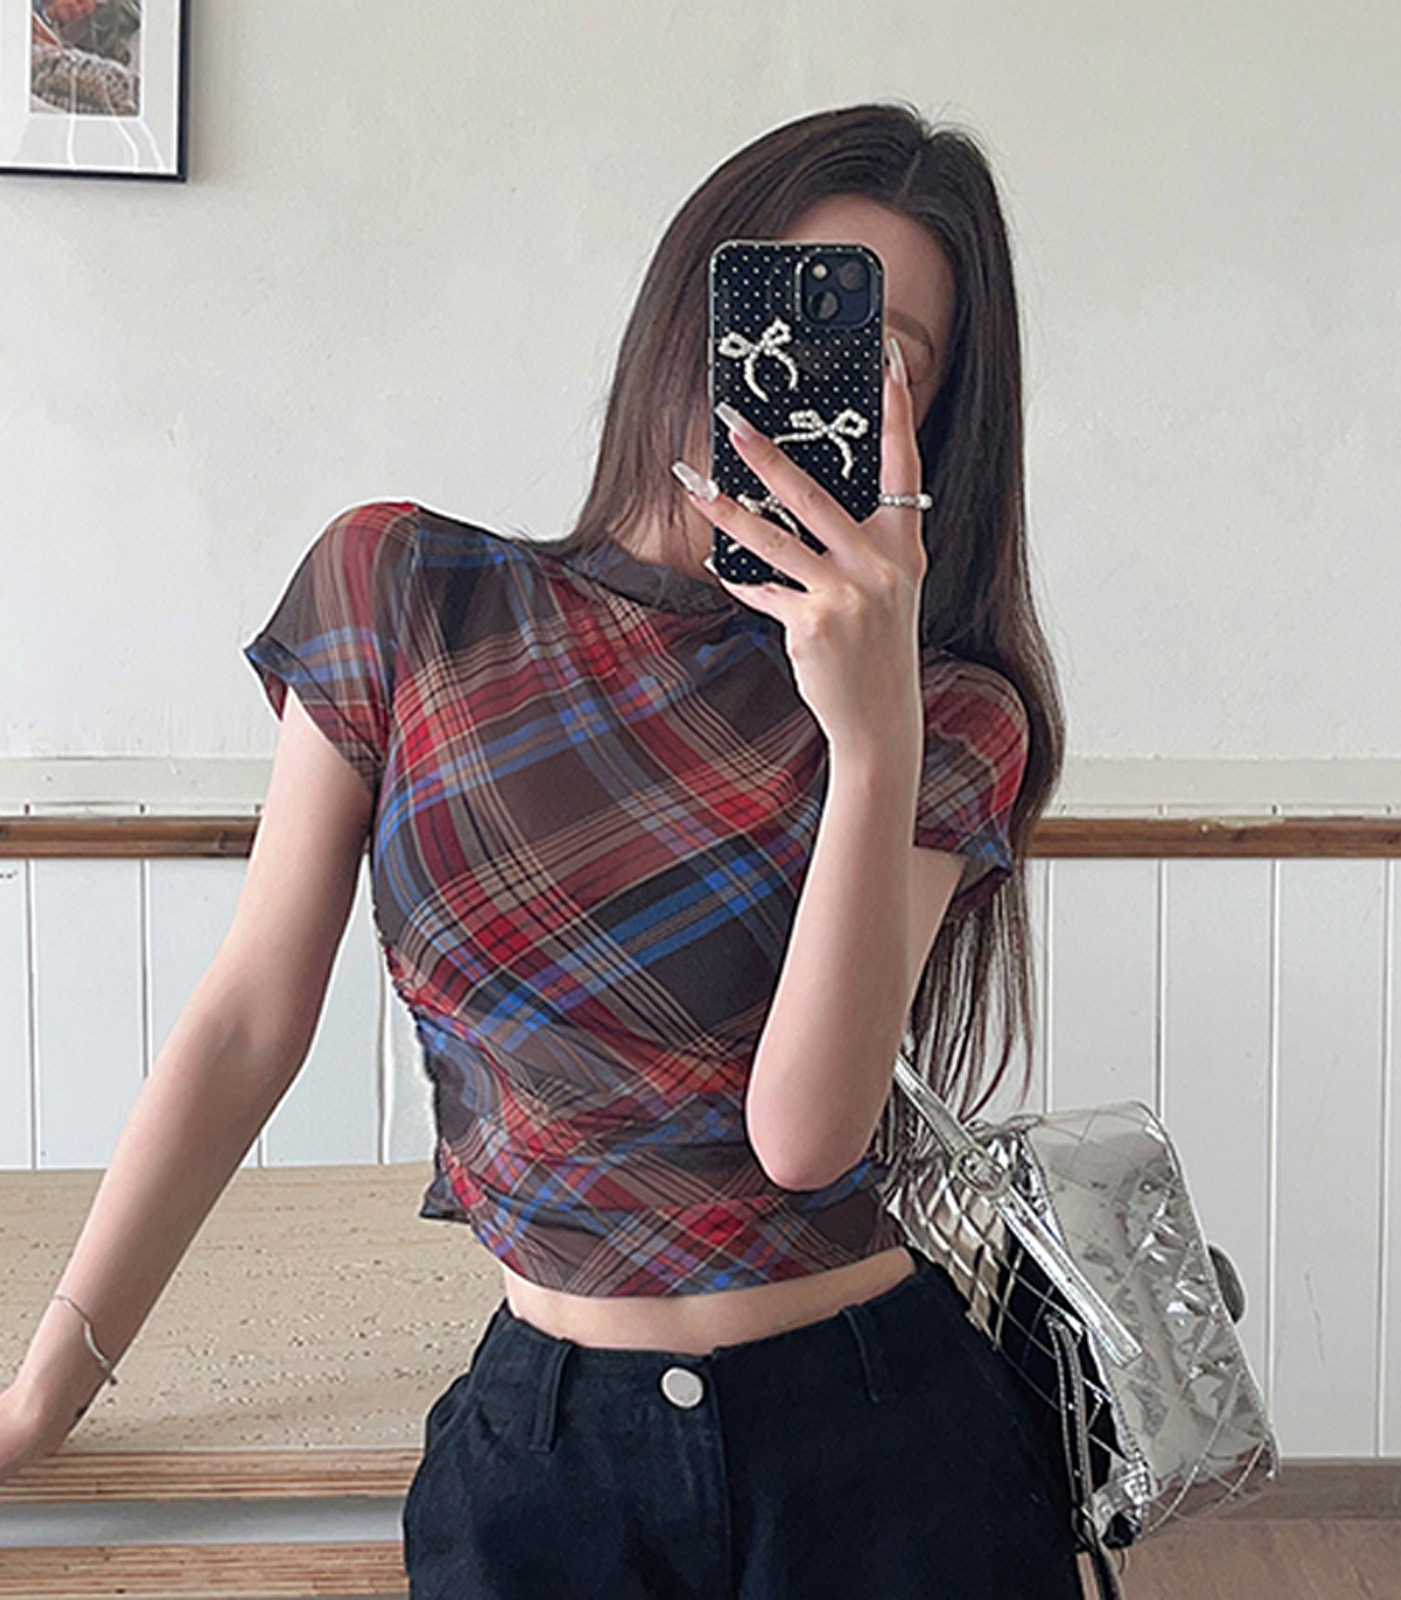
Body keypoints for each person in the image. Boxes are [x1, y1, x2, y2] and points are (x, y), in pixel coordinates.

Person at [0, 100, 1078, 1597]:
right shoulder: (402, 591)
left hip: (883, 1455)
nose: (814, 378)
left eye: (888, 356)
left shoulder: (951, 712)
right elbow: (248, 1020)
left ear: (929, 430)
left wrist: (873, 731)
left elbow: (803, 1140)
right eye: (781, 314)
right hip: (547, 1456)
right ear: (686, 307)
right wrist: (46, 1388)